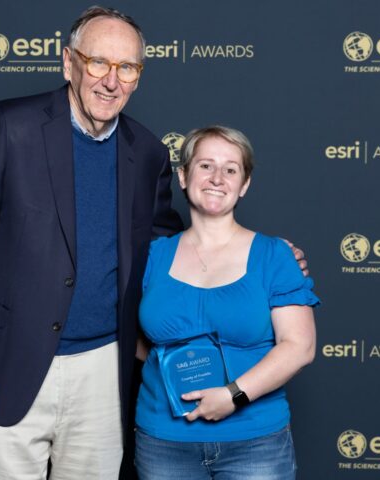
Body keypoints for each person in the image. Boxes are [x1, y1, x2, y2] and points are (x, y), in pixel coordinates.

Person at [0, 7, 181, 479]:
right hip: (8, 366)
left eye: (127, 68)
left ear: (138, 77)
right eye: (98, 63)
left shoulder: (148, 152)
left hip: (103, 372)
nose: (111, 81)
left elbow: (165, 249)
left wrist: (248, 258)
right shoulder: (10, 125)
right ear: (67, 61)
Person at [135, 126, 319, 480]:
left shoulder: (275, 255)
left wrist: (232, 395)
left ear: (244, 184)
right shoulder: (153, 256)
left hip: (255, 441)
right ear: (184, 176)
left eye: (231, 169)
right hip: (163, 441)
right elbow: (137, 342)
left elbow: (299, 346)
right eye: (206, 166)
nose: (217, 178)